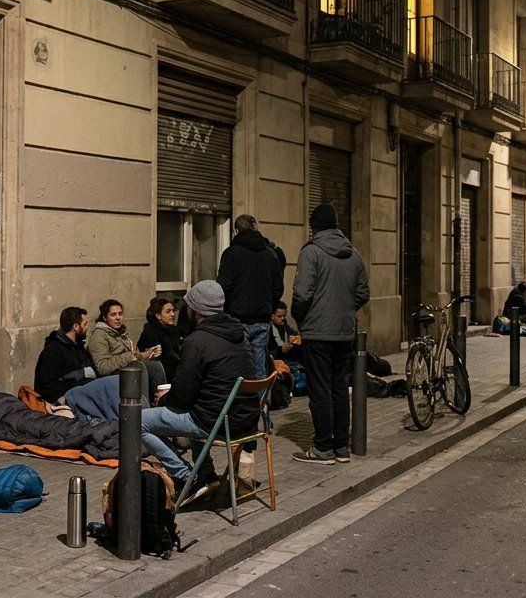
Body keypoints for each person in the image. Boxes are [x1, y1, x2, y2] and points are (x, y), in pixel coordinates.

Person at [139, 280, 255, 502]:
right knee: (197, 407)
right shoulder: (240, 335)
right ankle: (206, 473)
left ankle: (186, 476)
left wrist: (164, 400)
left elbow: (182, 393)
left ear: (195, 310)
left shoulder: (197, 340)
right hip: (243, 419)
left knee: (135, 419)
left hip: (215, 421)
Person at [291, 203, 369, 465]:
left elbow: (302, 293)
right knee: (339, 387)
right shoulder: (353, 254)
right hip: (345, 332)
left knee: (320, 389)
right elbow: (362, 293)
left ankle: (322, 447)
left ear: (315, 226)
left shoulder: (311, 252)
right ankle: (341, 447)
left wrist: (302, 316)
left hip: (317, 332)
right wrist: (344, 311)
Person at [217, 214, 285, 378]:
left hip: (237, 317)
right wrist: (268, 306)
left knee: (239, 363)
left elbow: (223, 286)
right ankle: (260, 402)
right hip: (262, 318)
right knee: (259, 361)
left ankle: (242, 401)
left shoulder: (231, 253)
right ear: (255, 229)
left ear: (236, 231)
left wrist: (227, 308)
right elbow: (278, 287)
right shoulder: (270, 254)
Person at [86, 299, 167, 394]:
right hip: (111, 377)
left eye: (120, 314)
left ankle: (160, 399)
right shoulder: (99, 336)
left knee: (155, 366)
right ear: (105, 318)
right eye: (113, 315)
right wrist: (130, 357)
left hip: (127, 371)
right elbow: (103, 367)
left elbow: (134, 355)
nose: (118, 318)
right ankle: (143, 405)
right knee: (137, 367)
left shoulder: (121, 332)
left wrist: (148, 354)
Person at [34, 306, 96, 404]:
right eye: (85, 324)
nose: (87, 327)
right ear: (75, 326)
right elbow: (49, 388)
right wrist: (83, 384)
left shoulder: (79, 346)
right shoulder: (53, 351)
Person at [137, 296, 184, 381]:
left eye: (173, 310)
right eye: (168, 312)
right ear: (158, 315)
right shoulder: (150, 331)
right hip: (161, 375)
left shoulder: (173, 329)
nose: (173, 314)